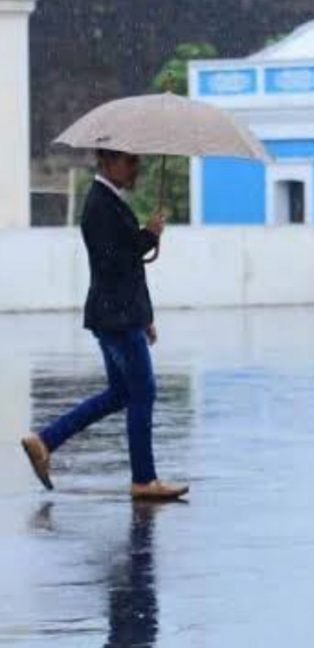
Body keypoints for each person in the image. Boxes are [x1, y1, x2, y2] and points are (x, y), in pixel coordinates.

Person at [20, 149, 188, 501]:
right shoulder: (100, 206)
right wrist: (149, 236)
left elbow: (125, 265)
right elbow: (116, 262)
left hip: (120, 314)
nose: (135, 168)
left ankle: (46, 440)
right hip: (117, 317)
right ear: (107, 162)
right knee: (143, 392)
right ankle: (144, 479)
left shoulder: (108, 202)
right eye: (129, 162)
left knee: (120, 394)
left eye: (136, 162)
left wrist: (146, 316)